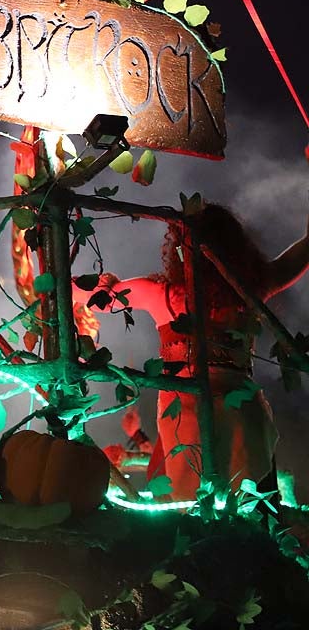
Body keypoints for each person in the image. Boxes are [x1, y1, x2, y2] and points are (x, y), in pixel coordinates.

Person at [81, 202, 309, 501]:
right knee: (249, 520)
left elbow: (94, 297)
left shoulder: (161, 293)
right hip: (241, 419)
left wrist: (91, 285)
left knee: (190, 520)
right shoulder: (250, 289)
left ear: (181, 248)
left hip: (191, 426)